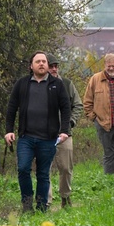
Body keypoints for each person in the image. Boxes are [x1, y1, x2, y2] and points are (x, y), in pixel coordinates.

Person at [4, 52, 71, 212]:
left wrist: (64, 131)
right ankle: (27, 205)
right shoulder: (22, 84)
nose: (41, 64)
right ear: (31, 65)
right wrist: (8, 130)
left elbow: (66, 108)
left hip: (48, 139)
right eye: (38, 61)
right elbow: (12, 107)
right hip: (26, 137)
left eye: (44, 61)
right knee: (23, 169)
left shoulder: (57, 84)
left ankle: (41, 208)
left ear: (48, 65)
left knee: (43, 174)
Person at [47, 54, 83, 208]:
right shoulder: (38, 85)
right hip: (44, 134)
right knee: (44, 168)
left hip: (65, 133)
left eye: (56, 66)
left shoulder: (67, 84)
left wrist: (71, 122)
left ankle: (65, 197)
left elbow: (78, 105)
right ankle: (46, 201)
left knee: (66, 168)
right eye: (51, 66)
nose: (54, 69)